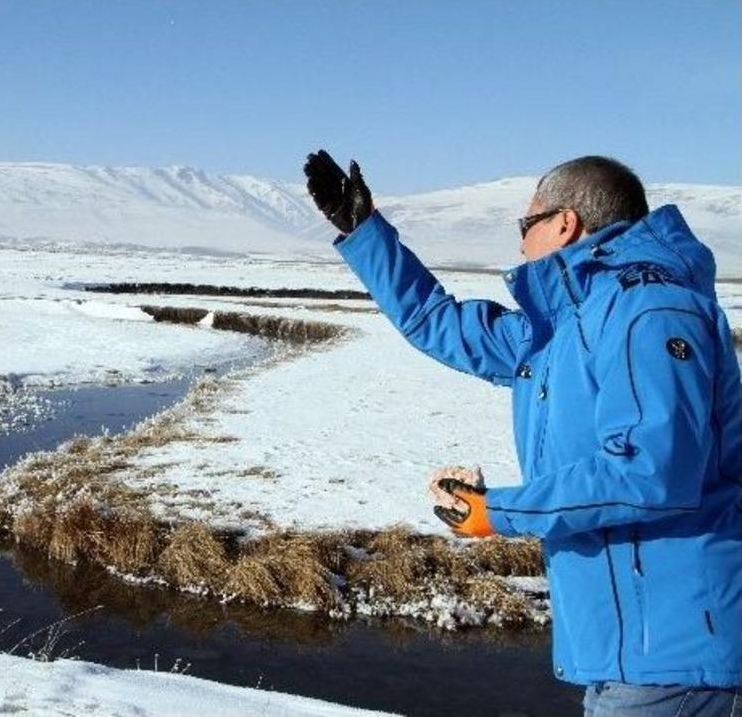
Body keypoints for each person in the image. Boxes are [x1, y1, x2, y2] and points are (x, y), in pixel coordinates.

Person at [304, 151, 741, 716]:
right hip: (632, 651)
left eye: (525, 225)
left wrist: (497, 511)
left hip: (678, 653)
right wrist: (365, 233)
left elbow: (649, 470)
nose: (519, 244)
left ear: (565, 223)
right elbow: (440, 324)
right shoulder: (565, 326)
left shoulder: (649, 310)